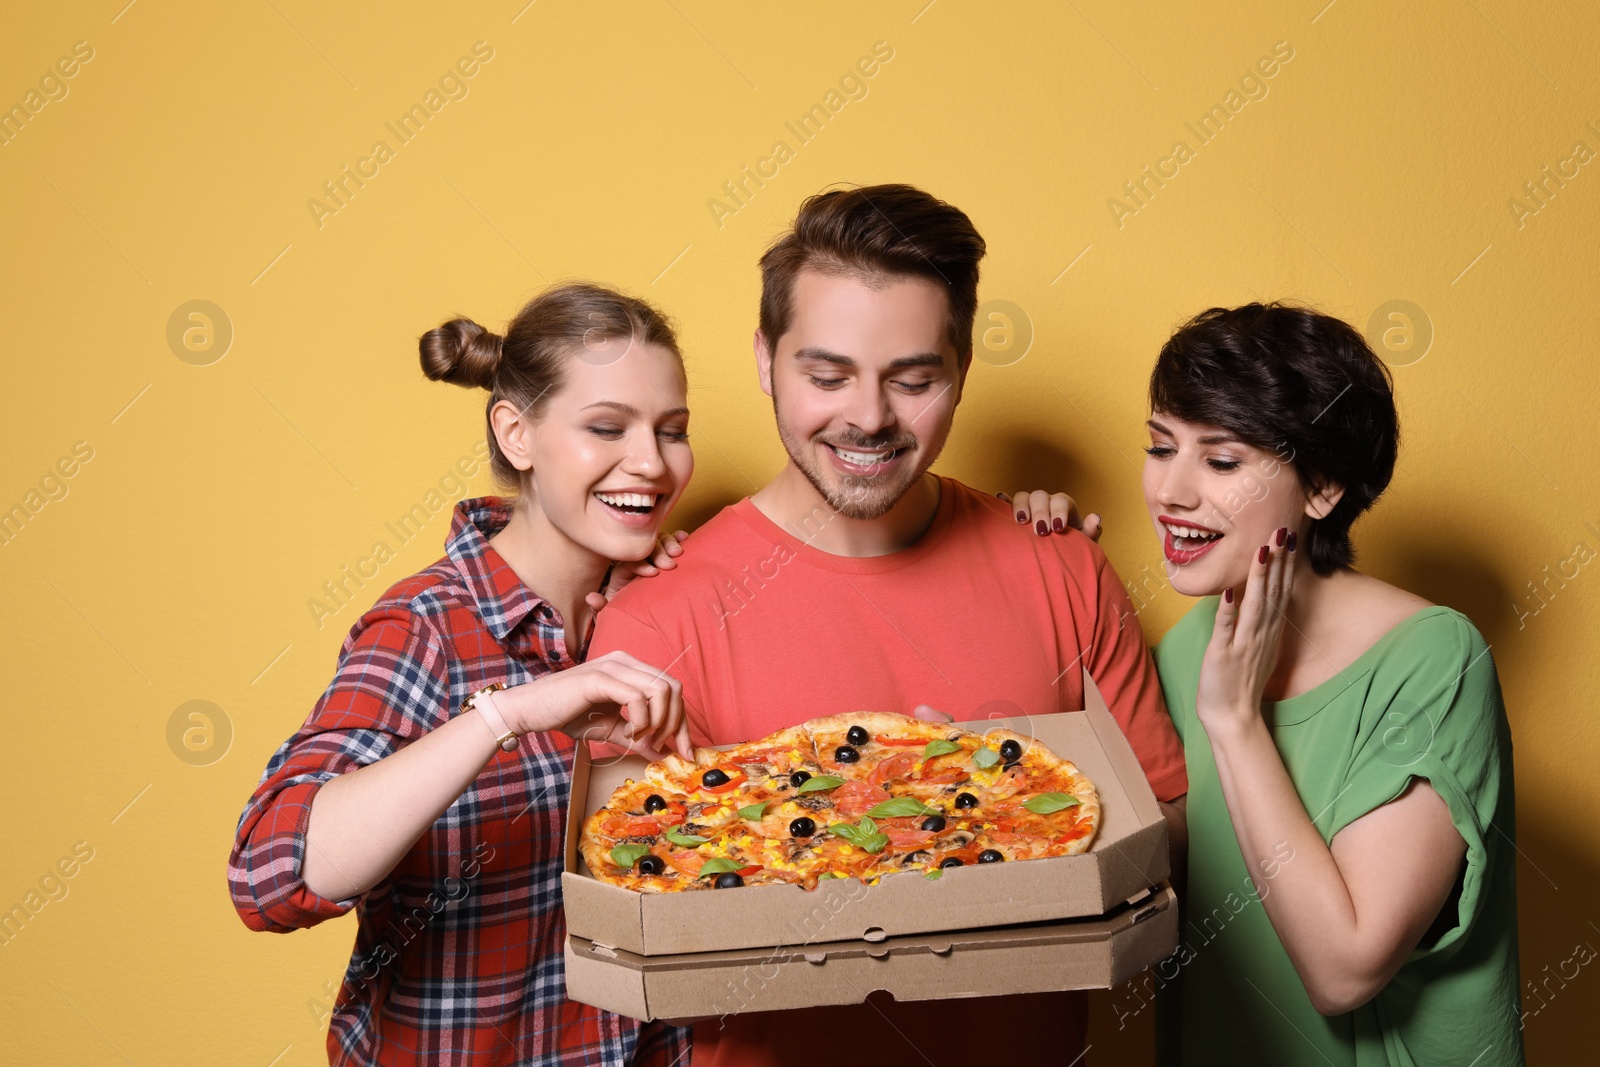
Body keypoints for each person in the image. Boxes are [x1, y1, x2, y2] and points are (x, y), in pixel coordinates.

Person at [586, 183, 1189, 1067]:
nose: (868, 416)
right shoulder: (656, 613)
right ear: (764, 360)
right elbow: (637, 883)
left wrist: (985, 801)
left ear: (963, 367)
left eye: (913, 379)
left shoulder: (1061, 565)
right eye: (826, 376)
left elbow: (1167, 830)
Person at [227, 282, 699, 1066]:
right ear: (516, 432)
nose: (651, 462)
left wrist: (684, 591)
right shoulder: (428, 626)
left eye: (673, 430)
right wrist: (507, 714)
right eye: (607, 427)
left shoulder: (655, 610)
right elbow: (270, 874)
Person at [1141, 304, 1524, 1065]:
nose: (1171, 491)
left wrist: (1234, 719)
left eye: (1221, 462)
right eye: (1159, 447)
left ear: (1321, 487)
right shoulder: (1184, 647)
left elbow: (1345, 968)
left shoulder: (1435, 658)